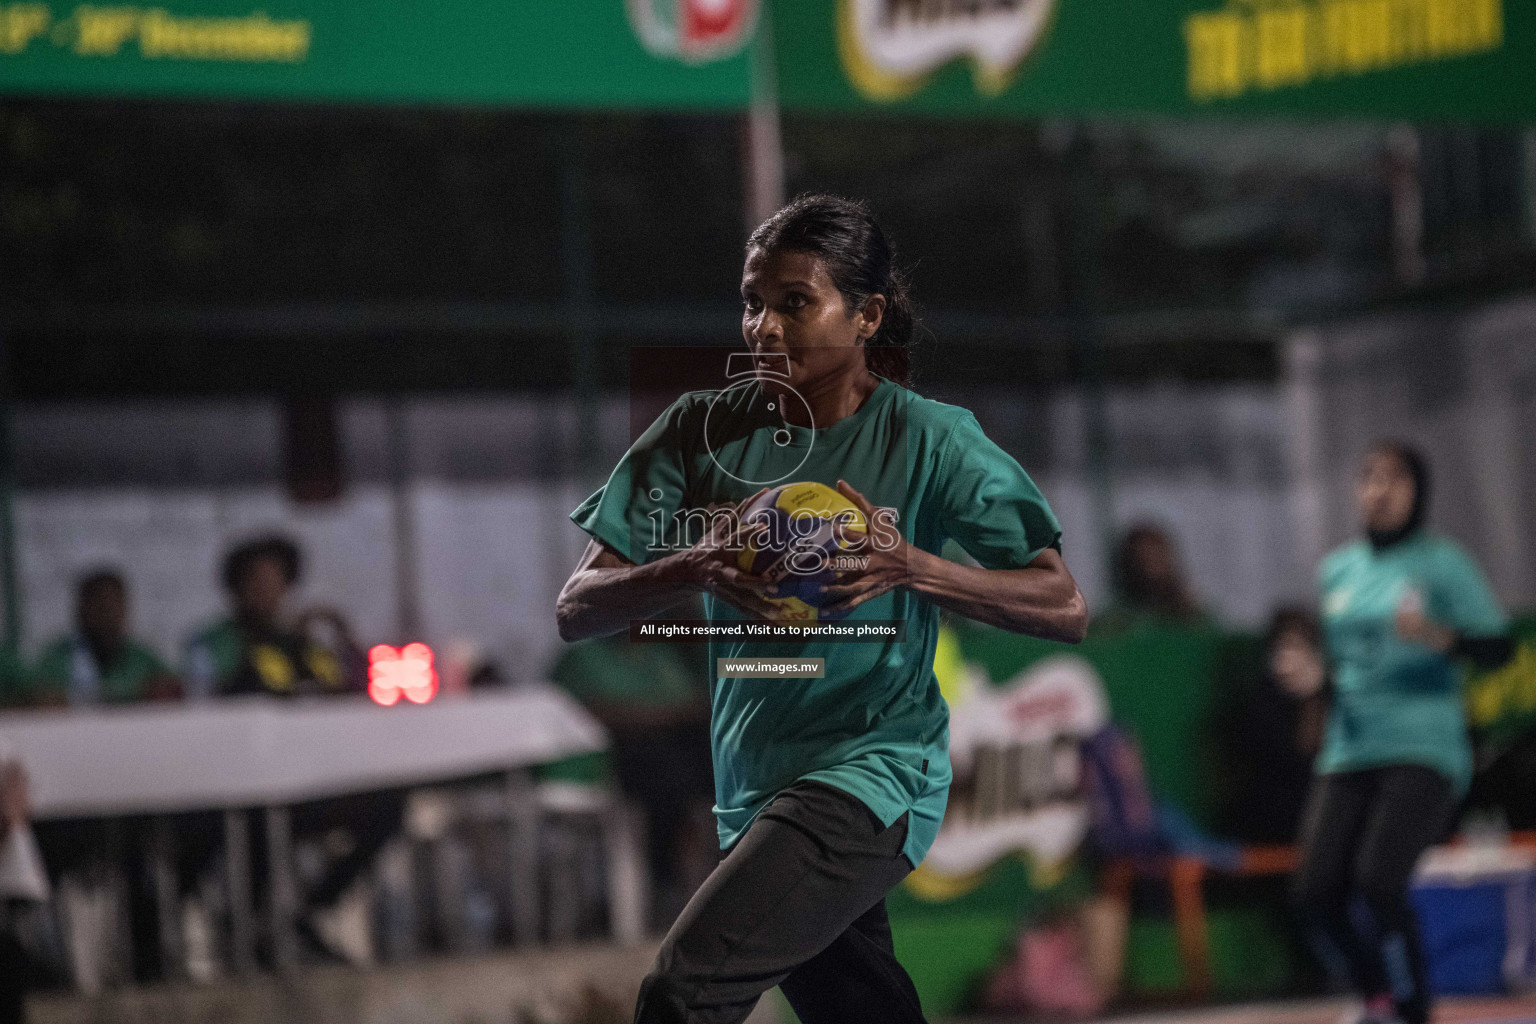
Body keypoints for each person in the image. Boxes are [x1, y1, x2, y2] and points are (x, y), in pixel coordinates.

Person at [556, 194, 1087, 1024]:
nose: (763, 327)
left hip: (871, 773)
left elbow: (1063, 602)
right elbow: (577, 607)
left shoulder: (930, 440)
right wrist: (693, 564)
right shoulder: (697, 434)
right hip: (755, 784)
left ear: (867, 315)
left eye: (794, 303)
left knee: (684, 991)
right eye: (752, 302)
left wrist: (913, 566)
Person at [1285, 440, 1515, 1024]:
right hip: (1350, 747)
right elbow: (1337, 667)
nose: (1379, 489)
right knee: (1315, 892)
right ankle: (1378, 995)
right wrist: (1313, 676)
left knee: (1379, 883)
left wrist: (1445, 638)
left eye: (1395, 477)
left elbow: (1499, 647)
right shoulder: (1337, 569)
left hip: (1423, 747)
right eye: (1368, 476)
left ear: (1418, 491)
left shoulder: (1443, 563)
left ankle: (1412, 1011)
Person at [184, 536, 352, 698]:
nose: (266, 590)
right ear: (238, 586)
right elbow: (203, 697)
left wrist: (339, 633)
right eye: (258, 581)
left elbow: (342, 687)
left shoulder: (302, 642)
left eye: (275, 580)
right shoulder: (216, 641)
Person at [28, 570, 179, 707]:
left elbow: (172, 688)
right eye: (101, 607)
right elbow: (42, 696)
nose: (108, 616)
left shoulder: (142, 658)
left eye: (115, 606)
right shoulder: (59, 657)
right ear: (81, 609)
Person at [1091, 522, 1211, 636]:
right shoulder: (1112, 624)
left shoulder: (1195, 620)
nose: (1152, 567)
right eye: (1143, 559)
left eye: (1158, 558)